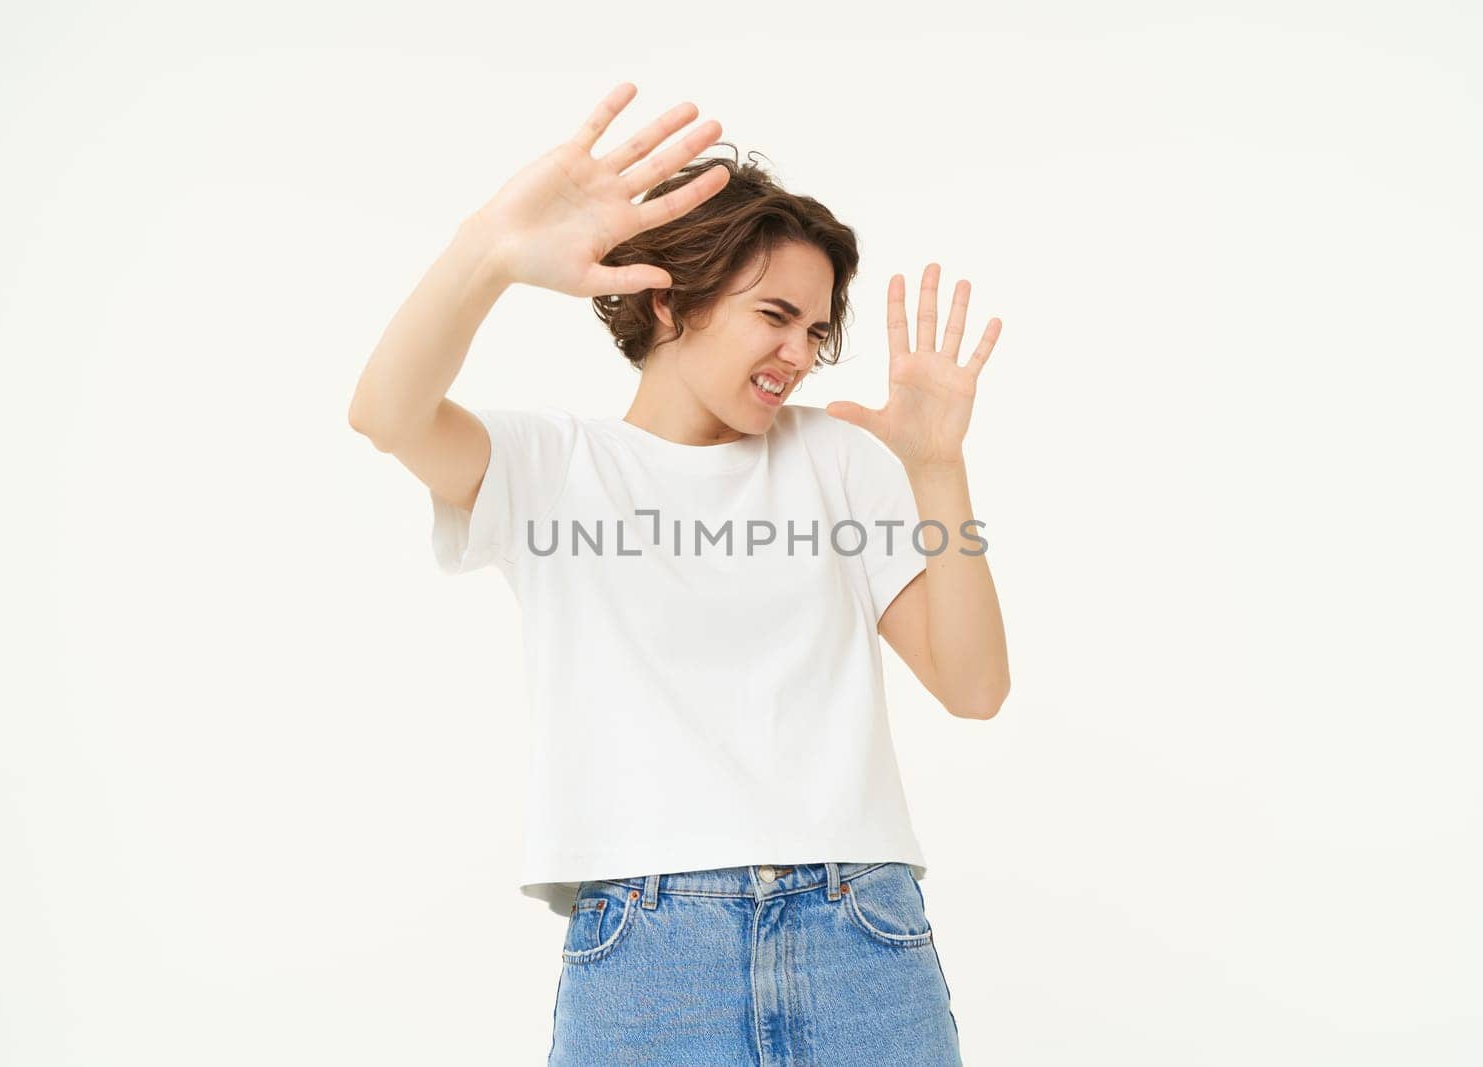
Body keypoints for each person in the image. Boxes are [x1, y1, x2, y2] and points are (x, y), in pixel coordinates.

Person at [349, 82, 1008, 1066]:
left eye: (817, 331)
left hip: (859, 932)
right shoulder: (555, 468)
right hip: (650, 949)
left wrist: (936, 467)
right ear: (671, 297)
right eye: (776, 316)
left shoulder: (835, 460)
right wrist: (491, 248)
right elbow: (386, 412)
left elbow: (974, 684)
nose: (801, 354)